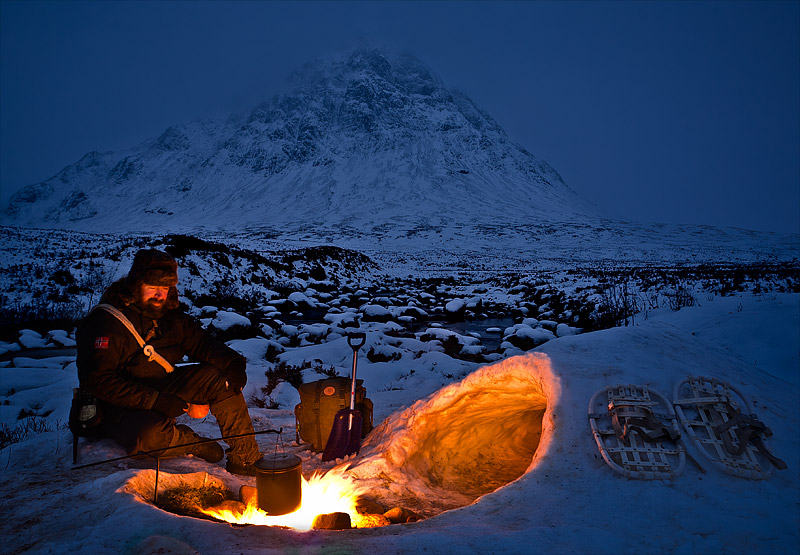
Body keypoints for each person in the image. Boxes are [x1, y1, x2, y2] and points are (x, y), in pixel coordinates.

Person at [76, 248, 262, 475]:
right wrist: (155, 401)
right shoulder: (106, 322)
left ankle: (246, 458)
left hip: (160, 385)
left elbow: (200, 342)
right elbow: (98, 380)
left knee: (220, 379)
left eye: (164, 288)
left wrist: (233, 363)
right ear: (136, 285)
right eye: (152, 287)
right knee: (149, 437)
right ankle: (193, 443)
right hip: (118, 403)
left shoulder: (169, 316)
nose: (159, 295)